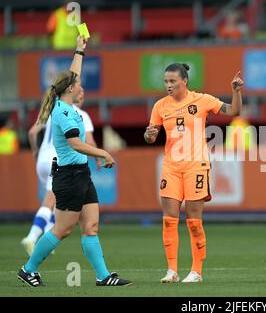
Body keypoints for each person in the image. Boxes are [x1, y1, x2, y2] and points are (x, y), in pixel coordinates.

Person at [17, 35, 131, 287]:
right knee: (62, 229)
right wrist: (103, 153)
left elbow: (72, 74)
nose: (81, 84)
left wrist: (79, 50)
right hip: (68, 177)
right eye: (77, 83)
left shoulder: (65, 102)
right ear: (71, 89)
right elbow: (75, 143)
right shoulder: (65, 112)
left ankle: (103, 277)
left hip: (80, 174)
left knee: (91, 226)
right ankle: (28, 269)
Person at [144, 63, 244, 283]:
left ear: (184, 81)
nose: (168, 85)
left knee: (193, 221)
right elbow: (150, 137)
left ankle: (196, 271)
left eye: (172, 81)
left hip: (195, 166)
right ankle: (172, 270)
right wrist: (149, 135)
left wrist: (236, 92)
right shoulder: (160, 106)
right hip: (171, 166)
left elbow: (233, 111)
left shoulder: (202, 100)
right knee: (169, 220)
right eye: (166, 81)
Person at [21, 89, 101, 256]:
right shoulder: (79, 114)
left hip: (42, 159)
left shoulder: (53, 109)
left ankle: (49, 238)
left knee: (58, 202)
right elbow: (88, 142)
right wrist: (100, 156)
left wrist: (35, 151)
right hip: (56, 160)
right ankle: (32, 236)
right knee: (50, 202)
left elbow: (32, 132)